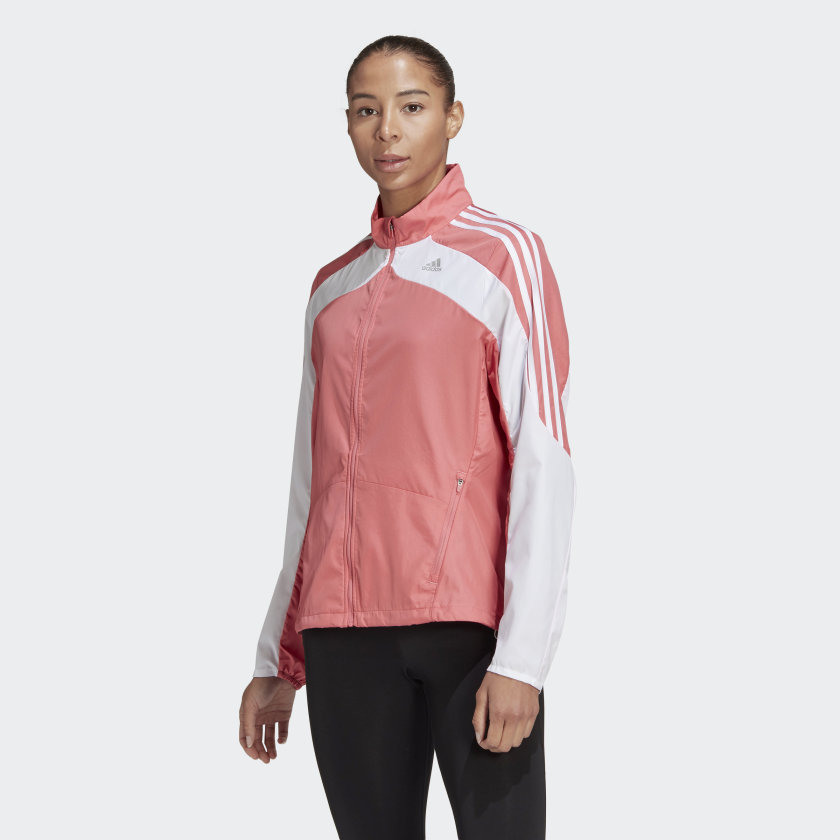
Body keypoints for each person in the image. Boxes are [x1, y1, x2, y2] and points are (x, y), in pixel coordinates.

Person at [239, 34, 576, 840]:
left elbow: (544, 460)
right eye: (366, 110)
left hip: (466, 633)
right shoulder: (332, 288)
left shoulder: (505, 256)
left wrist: (522, 660)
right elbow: (311, 485)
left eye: (412, 106)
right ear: (348, 125)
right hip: (343, 637)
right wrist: (277, 657)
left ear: (453, 118)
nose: (387, 129)